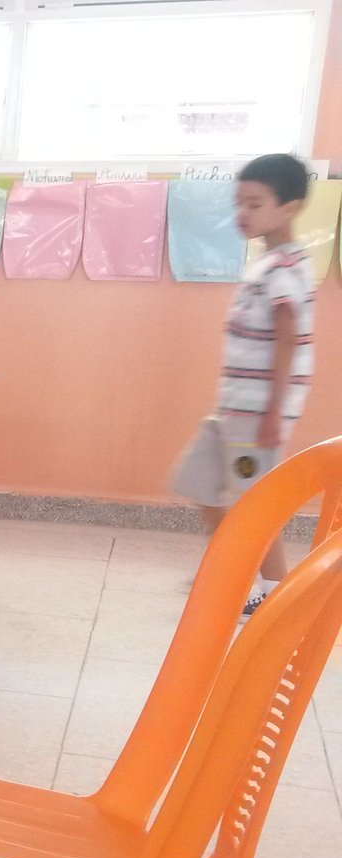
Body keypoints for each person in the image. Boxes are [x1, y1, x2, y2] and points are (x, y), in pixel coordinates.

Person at [172, 153, 314, 617]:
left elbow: (289, 339)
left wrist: (273, 411)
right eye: (239, 203)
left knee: (254, 502)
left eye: (255, 204)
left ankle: (272, 592)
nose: (242, 213)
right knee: (197, 482)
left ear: (289, 208)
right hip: (235, 408)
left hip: (256, 415)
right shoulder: (266, 264)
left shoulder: (285, 268)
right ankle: (235, 569)